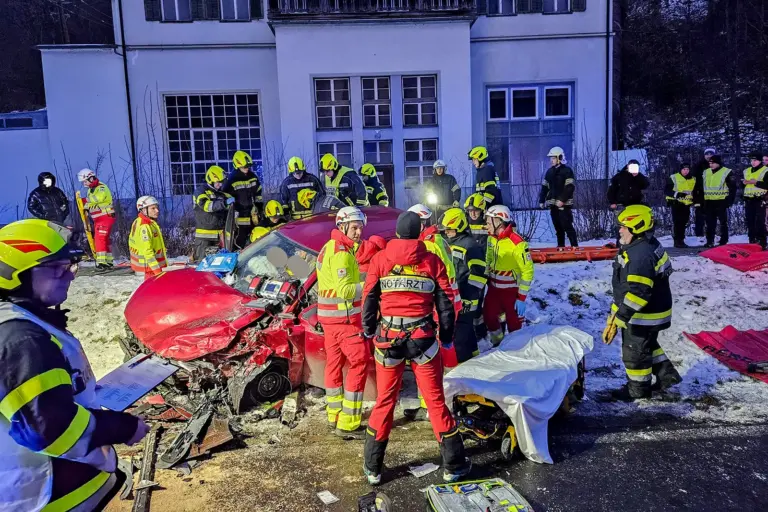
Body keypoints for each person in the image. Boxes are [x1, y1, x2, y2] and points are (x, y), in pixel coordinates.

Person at [0, 219, 149, 510]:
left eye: (70, 265)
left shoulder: (25, 320)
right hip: (41, 493)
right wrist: (123, 427)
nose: (68, 275)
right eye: (56, 268)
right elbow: (49, 427)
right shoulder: (19, 337)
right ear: (15, 275)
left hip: (60, 483)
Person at [362, 211, 471, 485]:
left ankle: (373, 468)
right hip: (423, 339)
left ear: (397, 233)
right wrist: (446, 337)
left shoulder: (380, 259)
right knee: (435, 401)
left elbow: (369, 299)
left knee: (385, 402)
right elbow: (446, 304)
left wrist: (368, 329)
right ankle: (454, 465)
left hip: (388, 339)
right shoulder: (431, 261)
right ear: (420, 231)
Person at [601, 205, 681, 401]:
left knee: (635, 352)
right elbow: (626, 286)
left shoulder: (640, 255)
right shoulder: (641, 245)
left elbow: (639, 293)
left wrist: (621, 316)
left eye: (623, 227)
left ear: (636, 228)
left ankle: (637, 390)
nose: (619, 230)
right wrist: (615, 310)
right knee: (648, 345)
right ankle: (667, 376)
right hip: (651, 310)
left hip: (643, 314)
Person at [317, 207, 371, 440]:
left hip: (330, 321)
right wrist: (369, 282)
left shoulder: (329, 247)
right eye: (354, 228)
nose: (359, 232)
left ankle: (334, 413)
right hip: (345, 322)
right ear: (342, 227)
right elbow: (346, 290)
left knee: (334, 365)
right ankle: (348, 423)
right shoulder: (342, 253)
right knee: (359, 364)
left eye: (360, 228)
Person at [438, 208, 487, 362]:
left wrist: (469, 297)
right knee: (467, 332)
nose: (447, 232)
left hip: (467, 298)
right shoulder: (446, 242)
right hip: (456, 297)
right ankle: (474, 356)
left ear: (459, 226)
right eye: (445, 230)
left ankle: (463, 365)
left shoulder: (470, 245)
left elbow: (479, 274)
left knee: (459, 335)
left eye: (450, 229)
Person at [484, 205, 534, 347]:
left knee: (514, 326)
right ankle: (498, 345)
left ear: (499, 221)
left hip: (512, 292)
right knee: (489, 317)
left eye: (489, 221)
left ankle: (516, 351)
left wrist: (521, 298)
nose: (486, 225)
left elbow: (528, 271)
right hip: (493, 289)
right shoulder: (491, 239)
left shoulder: (517, 243)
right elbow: (488, 259)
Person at [408, 204, 461, 313]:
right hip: (447, 295)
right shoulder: (435, 238)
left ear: (421, 224)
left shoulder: (428, 244)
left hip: (440, 298)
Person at [538, 147, 578, 248]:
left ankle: (575, 246)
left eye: (553, 158)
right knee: (558, 228)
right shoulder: (549, 172)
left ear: (559, 158)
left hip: (564, 205)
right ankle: (561, 246)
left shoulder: (567, 171)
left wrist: (562, 200)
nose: (551, 160)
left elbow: (570, 187)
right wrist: (541, 200)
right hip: (553, 205)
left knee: (567, 226)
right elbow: (544, 187)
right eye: (551, 158)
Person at [193, 165, 235, 262]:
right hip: (204, 237)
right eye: (218, 182)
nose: (220, 185)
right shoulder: (200, 191)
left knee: (218, 264)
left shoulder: (221, 194)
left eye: (221, 182)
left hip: (218, 236)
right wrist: (224, 203)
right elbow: (207, 206)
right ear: (210, 180)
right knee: (203, 264)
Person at [77, 168, 115, 269]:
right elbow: (92, 203)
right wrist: (86, 207)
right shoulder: (91, 190)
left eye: (85, 181)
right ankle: (108, 261)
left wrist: (85, 201)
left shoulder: (101, 187)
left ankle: (102, 262)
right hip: (99, 219)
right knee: (104, 239)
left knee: (100, 239)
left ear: (91, 178)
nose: (84, 184)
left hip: (104, 217)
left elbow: (99, 198)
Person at [225, 151, 263, 250]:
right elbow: (226, 197)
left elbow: (258, 192)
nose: (247, 169)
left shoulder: (252, 176)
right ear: (238, 165)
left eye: (248, 167)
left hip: (252, 216)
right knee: (239, 242)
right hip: (239, 218)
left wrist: (259, 207)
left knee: (254, 241)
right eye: (244, 167)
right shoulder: (232, 179)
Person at [129, 195, 167, 279]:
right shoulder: (144, 226)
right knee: (154, 288)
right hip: (151, 266)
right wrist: (157, 271)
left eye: (157, 208)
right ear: (143, 210)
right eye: (153, 208)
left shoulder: (141, 221)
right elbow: (147, 251)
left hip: (151, 267)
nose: (157, 211)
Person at [702, 155, 736, 248]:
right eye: (709, 163)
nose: (711, 165)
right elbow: (702, 187)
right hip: (709, 201)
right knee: (709, 223)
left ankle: (723, 241)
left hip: (721, 201)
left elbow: (733, 188)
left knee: (723, 223)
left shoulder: (726, 172)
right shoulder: (706, 172)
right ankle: (710, 241)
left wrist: (729, 201)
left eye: (713, 163)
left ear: (718, 163)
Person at [665, 164, 699, 248]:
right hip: (676, 203)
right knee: (677, 223)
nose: (686, 171)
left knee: (684, 222)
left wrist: (696, 201)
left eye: (687, 169)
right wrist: (677, 194)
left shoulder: (693, 179)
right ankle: (677, 241)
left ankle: (681, 240)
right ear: (680, 170)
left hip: (686, 204)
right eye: (684, 169)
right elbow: (667, 190)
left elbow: (694, 191)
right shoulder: (674, 177)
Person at [742, 152, 768, 249]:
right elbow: (745, 186)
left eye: (755, 160)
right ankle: (752, 241)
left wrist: (755, 182)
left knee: (760, 222)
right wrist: (744, 183)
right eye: (751, 160)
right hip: (749, 199)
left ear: (760, 160)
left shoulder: (766, 170)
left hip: (760, 199)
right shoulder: (746, 171)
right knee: (750, 221)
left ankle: (762, 243)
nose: (752, 162)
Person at [692, 148, 717, 237]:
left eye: (711, 154)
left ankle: (712, 235)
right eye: (707, 154)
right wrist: (695, 197)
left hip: (714, 195)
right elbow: (693, 182)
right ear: (704, 155)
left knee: (712, 216)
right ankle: (699, 235)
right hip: (700, 194)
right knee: (700, 216)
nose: (709, 156)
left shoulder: (719, 165)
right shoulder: (698, 166)